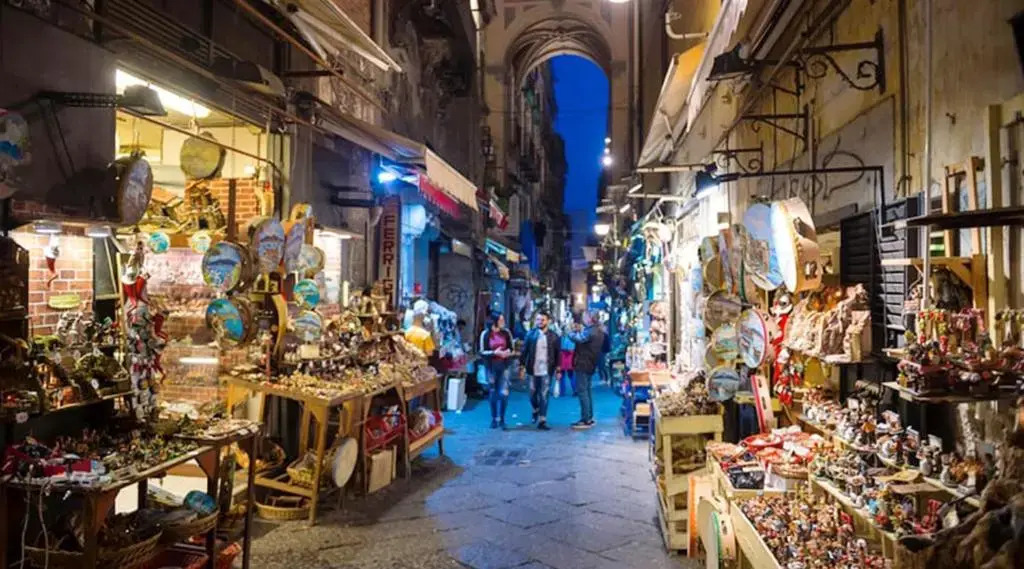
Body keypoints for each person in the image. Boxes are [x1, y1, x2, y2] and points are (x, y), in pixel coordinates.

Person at [519, 311, 559, 431]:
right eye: (538, 320)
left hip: (547, 369)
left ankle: (542, 419)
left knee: (544, 394)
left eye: (542, 320)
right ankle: (535, 408)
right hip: (532, 369)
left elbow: (558, 354)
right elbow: (524, 351)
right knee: (532, 393)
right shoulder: (530, 334)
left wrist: (558, 369)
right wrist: (522, 366)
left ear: (548, 321)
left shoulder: (554, 336)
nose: (540, 322)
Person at [569, 310, 606, 430]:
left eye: (585, 316)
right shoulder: (598, 330)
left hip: (583, 363)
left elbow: (578, 339)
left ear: (590, 318)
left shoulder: (591, 331)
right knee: (587, 391)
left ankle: (585, 418)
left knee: (583, 391)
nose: (583, 319)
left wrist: (570, 333)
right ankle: (589, 417)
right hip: (590, 363)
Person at [479, 312, 514, 429]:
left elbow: (512, 348)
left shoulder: (506, 333)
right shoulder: (485, 334)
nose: (503, 322)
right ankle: (494, 418)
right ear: (495, 321)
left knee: (504, 393)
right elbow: (482, 351)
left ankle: (502, 418)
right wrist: (494, 353)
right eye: (501, 320)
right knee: (493, 392)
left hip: (504, 366)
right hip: (491, 366)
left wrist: (507, 353)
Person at [558, 318, 577, 396]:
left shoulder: (561, 338)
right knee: (570, 375)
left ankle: (562, 391)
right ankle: (574, 390)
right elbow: (573, 349)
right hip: (569, 359)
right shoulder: (572, 338)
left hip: (563, 358)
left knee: (563, 375)